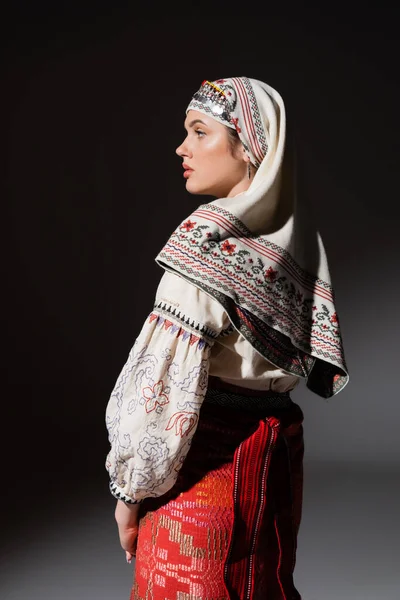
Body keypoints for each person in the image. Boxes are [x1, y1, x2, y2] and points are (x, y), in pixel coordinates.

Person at [105, 77, 349, 600]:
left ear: (248, 147)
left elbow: (161, 393)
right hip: (278, 455)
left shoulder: (206, 240)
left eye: (200, 132)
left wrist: (129, 494)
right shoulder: (297, 242)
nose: (182, 147)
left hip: (202, 463)